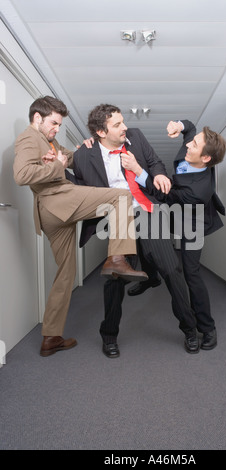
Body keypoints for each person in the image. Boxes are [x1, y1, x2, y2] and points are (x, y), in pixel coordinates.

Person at [13, 96, 147, 357]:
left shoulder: (49, 139)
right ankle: (118, 259)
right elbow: (22, 175)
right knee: (121, 196)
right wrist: (57, 168)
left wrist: (86, 149)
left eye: (59, 124)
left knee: (65, 273)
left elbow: (69, 158)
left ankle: (51, 337)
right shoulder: (29, 138)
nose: (57, 128)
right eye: (54, 123)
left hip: (53, 213)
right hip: (57, 200)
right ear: (37, 118)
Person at [73, 104, 199, 358]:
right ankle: (109, 335)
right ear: (100, 132)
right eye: (117, 124)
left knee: (172, 270)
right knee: (115, 278)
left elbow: (155, 162)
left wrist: (158, 175)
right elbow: (79, 185)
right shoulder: (84, 155)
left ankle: (190, 330)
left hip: (147, 210)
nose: (124, 127)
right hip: (118, 217)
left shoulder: (136, 137)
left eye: (123, 121)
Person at [121, 119, 226, 350]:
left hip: (193, 221)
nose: (188, 145)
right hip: (174, 210)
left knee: (191, 274)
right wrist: (180, 125)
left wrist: (138, 170)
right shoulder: (192, 149)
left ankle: (207, 327)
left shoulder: (198, 191)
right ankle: (151, 277)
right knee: (143, 234)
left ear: (206, 158)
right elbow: (189, 127)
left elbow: (165, 196)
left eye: (194, 145)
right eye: (191, 142)